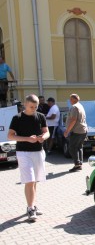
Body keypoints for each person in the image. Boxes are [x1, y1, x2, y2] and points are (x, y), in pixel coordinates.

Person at [7, 94, 49, 222]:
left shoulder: (40, 116)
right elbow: (10, 136)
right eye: (31, 107)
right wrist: (27, 139)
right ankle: (30, 208)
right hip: (23, 153)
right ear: (25, 104)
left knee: (35, 181)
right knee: (29, 181)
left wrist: (43, 137)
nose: (34, 109)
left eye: (36, 107)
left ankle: (33, 205)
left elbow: (47, 131)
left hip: (38, 152)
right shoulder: (17, 118)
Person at [64, 94, 87, 172]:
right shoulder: (80, 106)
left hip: (77, 131)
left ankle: (77, 164)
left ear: (74, 99)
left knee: (72, 147)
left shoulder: (74, 107)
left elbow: (73, 120)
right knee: (79, 147)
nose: (70, 101)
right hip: (83, 130)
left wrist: (67, 131)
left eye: (70, 99)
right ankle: (79, 164)